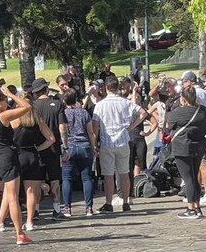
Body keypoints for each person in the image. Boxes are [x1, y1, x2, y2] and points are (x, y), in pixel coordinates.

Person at [0, 94, 55, 232]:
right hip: (32, 156)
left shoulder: (14, 120)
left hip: (17, 156)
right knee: (30, 191)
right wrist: (38, 148)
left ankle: (0, 220)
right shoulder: (37, 120)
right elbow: (51, 139)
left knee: (10, 192)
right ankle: (30, 222)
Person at [0, 87, 32, 246]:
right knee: (12, 198)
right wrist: (11, 95)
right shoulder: (3, 115)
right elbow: (27, 107)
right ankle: (19, 234)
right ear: (0, 103)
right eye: (5, 102)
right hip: (6, 158)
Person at [93, 76, 149, 213]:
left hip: (107, 142)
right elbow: (142, 113)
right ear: (117, 87)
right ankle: (125, 201)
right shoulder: (125, 102)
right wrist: (131, 127)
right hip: (123, 141)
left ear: (106, 88)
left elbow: (95, 126)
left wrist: (94, 143)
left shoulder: (100, 105)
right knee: (124, 173)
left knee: (108, 174)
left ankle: (108, 202)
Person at [180, 71, 206, 207]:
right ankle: (195, 194)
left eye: (183, 81)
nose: (182, 84)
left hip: (198, 132)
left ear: (190, 81)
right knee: (196, 164)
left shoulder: (194, 94)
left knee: (202, 162)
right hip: (204, 130)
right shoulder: (204, 93)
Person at [168, 86, 206, 219]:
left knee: (188, 178)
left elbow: (170, 124)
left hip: (182, 147)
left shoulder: (178, 111)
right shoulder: (202, 110)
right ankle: (197, 207)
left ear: (183, 98)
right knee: (194, 176)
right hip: (199, 146)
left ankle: (191, 208)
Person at [31, 78, 69, 220]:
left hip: (37, 148)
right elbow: (62, 127)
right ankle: (56, 210)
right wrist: (65, 146)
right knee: (55, 179)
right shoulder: (57, 104)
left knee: (36, 180)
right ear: (46, 89)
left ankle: (35, 210)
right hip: (53, 148)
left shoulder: (32, 106)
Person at [62, 88, 98, 217]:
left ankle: (67, 208)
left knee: (67, 178)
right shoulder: (84, 113)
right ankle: (89, 208)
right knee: (86, 177)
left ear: (65, 100)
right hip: (84, 145)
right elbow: (90, 132)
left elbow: (62, 131)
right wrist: (94, 148)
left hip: (69, 146)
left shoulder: (63, 113)